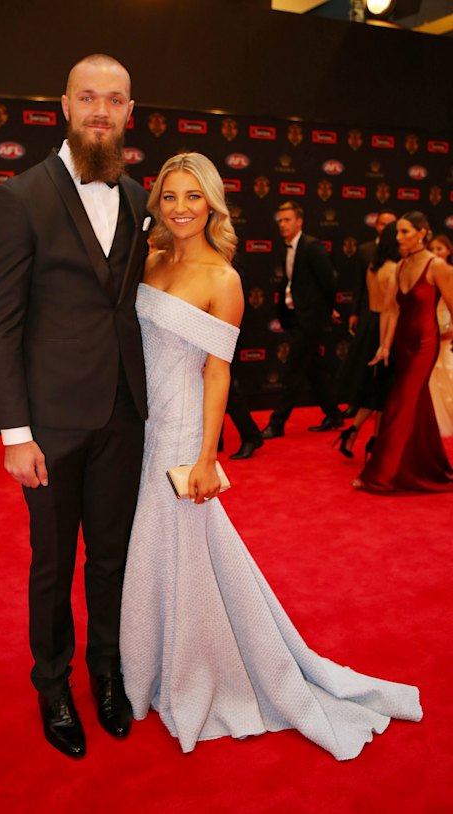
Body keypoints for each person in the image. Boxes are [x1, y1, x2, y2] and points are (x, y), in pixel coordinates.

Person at [120, 152, 422, 760]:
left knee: (178, 545)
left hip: (180, 436)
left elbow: (215, 373)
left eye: (193, 196)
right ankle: (146, 663)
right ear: (156, 202)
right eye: (170, 196)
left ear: (213, 205)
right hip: (139, 429)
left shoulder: (221, 278)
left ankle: (188, 671)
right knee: (150, 549)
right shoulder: (146, 263)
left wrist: (208, 456)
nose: (180, 207)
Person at [0, 54, 150, 759]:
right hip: (48, 426)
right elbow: (3, 324)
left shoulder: (142, 199)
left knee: (111, 558)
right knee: (52, 564)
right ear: (64, 105)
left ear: (130, 114)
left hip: (123, 416)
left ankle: (105, 674)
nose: (101, 110)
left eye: (114, 100)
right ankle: (52, 683)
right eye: (89, 98)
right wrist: (15, 433)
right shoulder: (20, 197)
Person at [355, 212, 453, 493]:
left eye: (405, 231)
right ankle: (428, 466)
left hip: (425, 343)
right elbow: (391, 310)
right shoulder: (400, 266)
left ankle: (381, 475)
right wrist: (385, 346)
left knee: (400, 402)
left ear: (422, 233)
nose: (398, 237)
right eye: (397, 232)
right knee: (417, 407)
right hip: (403, 343)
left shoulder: (438, 267)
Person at [262, 202, 343, 438]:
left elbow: (329, 283)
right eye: (280, 220)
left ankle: (277, 423)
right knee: (313, 370)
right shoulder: (288, 247)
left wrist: (327, 311)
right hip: (296, 317)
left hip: (310, 320)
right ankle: (335, 415)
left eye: (287, 219)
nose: (282, 224)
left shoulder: (313, 247)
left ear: (299, 221)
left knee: (292, 371)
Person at [333, 222, 400, 459]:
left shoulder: (373, 266)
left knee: (375, 390)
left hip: (368, 324)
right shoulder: (395, 269)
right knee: (383, 392)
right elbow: (391, 309)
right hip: (384, 330)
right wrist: (386, 343)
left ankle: (355, 434)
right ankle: (375, 443)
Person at [342, 210, 398, 418]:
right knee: (369, 371)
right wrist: (354, 313)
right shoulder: (386, 263)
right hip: (376, 318)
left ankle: (362, 424)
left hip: (377, 319)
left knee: (372, 372)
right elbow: (359, 287)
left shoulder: (383, 265)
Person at [427, 234, 453, 436]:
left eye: (440, 249)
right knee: (432, 373)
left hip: (447, 326)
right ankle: (433, 416)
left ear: (449, 251)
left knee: (447, 368)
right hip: (427, 326)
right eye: (432, 249)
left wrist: (448, 325)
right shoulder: (426, 273)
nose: (436, 253)